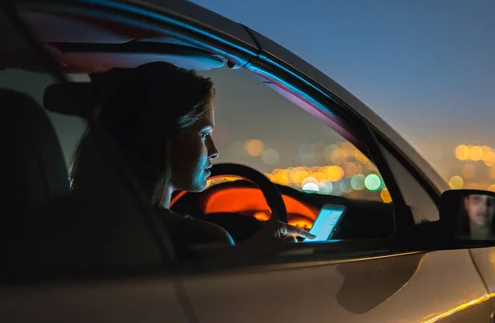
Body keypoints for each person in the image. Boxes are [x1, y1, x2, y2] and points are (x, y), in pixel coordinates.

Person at [70, 61, 313, 256]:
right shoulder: (200, 238)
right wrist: (253, 256)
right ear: (165, 140)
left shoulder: (70, 220)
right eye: (204, 134)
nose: (214, 150)